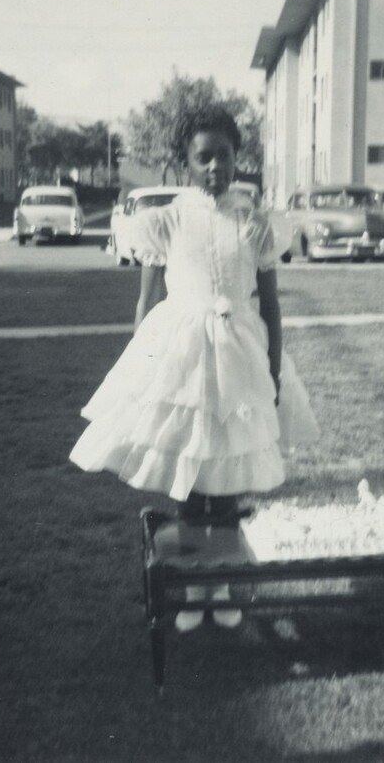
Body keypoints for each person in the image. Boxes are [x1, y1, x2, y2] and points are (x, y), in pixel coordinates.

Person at [69, 104, 318, 631]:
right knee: (190, 475)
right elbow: (148, 299)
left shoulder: (255, 223)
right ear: (185, 163)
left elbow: (269, 304)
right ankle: (191, 581)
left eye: (223, 156)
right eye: (203, 158)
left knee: (227, 474)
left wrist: (272, 372)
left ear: (237, 158)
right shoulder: (168, 219)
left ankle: (223, 583)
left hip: (240, 354)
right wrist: (146, 366)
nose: (214, 168)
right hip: (184, 355)